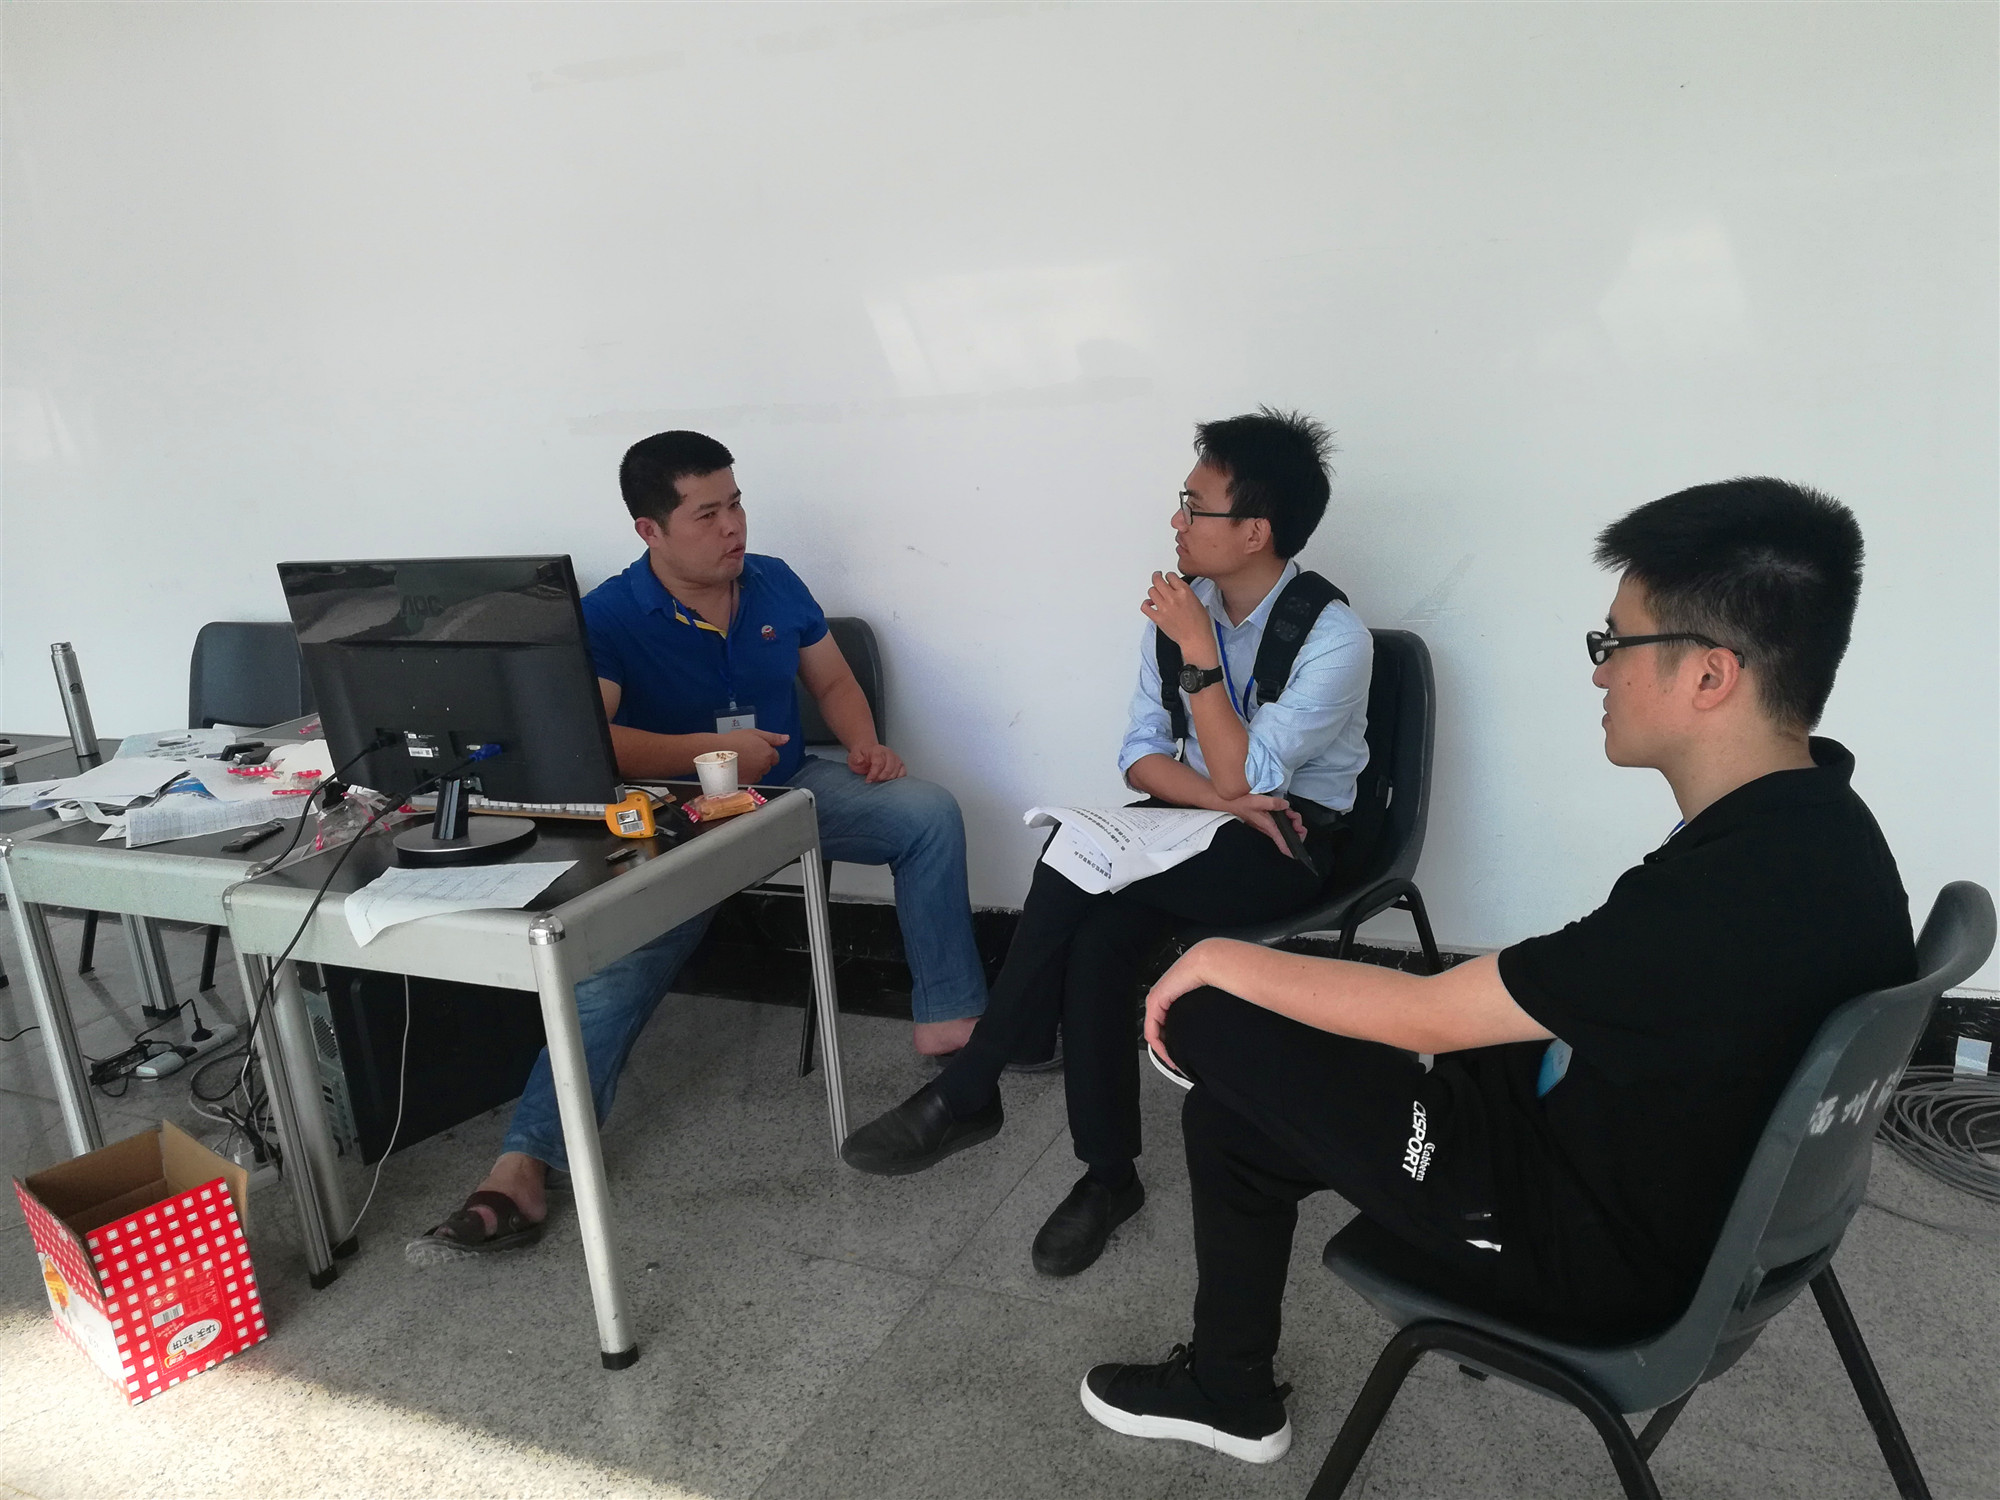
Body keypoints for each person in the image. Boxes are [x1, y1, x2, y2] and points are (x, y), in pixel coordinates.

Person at [1074, 478, 1917, 1465]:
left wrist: (1215, 956)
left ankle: (1232, 1378)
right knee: (1237, 1110)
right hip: (1638, 1172)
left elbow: (1430, 1015)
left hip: (1577, 1248)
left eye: (1614, 644)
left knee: (1209, 1015)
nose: (1598, 674)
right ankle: (1229, 1390)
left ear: (1708, 675)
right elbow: (1534, 1000)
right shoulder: (1822, 824)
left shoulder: (1726, 900)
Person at [408, 430, 990, 1261]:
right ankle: (525, 1161)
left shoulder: (774, 580)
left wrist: (864, 743)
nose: (733, 526)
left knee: (927, 813)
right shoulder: (611, 615)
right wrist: (705, 752)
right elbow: (596, 741)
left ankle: (950, 1024)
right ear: (650, 530)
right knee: (618, 965)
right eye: (707, 513)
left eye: (737, 503)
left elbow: (831, 679)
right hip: (676, 814)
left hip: (785, 791)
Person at [840, 409, 1373, 1278]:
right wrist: (1218, 797)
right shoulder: (1181, 609)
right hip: (1200, 821)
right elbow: (1140, 757)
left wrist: (1200, 659)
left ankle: (975, 1089)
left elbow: (1250, 777)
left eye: (1194, 505)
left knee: (1080, 889)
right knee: (1092, 923)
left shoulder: (1333, 637)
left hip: (1291, 842)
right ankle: (1105, 1175)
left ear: (1255, 531)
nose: (1176, 521)